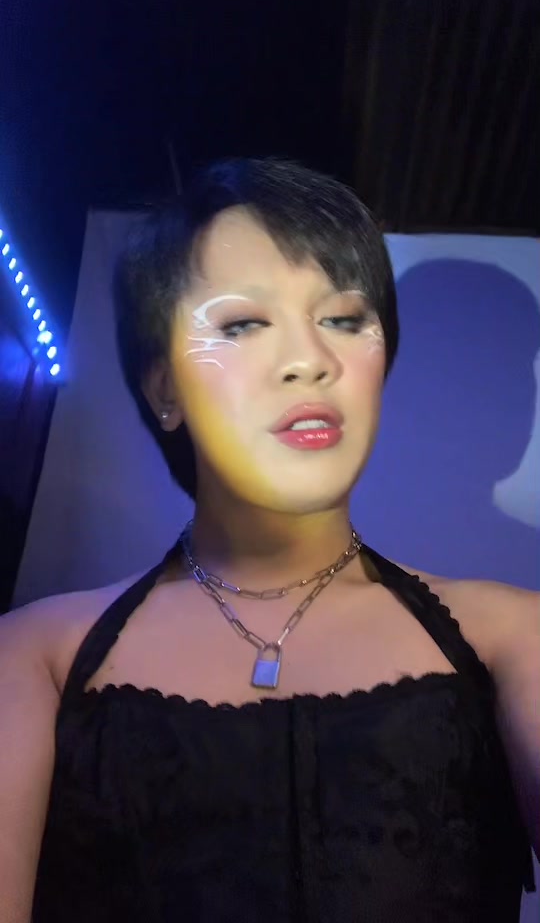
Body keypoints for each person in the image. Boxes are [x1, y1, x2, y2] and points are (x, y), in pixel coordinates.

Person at [0, 158, 538, 923]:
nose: (310, 361)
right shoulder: (35, 658)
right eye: (243, 324)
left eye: (344, 319)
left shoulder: (513, 638)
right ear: (163, 388)